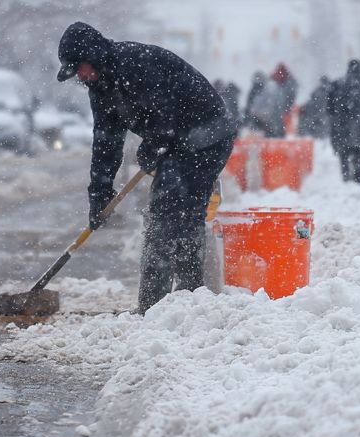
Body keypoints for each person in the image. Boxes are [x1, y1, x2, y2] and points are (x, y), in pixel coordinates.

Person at [57, 22, 236, 314]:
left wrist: (153, 146)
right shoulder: (100, 87)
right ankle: (177, 303)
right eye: (77, 71)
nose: (81, 75)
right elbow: (105, 142)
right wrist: (99, 192)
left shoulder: (136, 64)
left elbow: (164, 114)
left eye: (82, 67)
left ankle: (166, 304)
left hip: (208, 134)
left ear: (95, 55)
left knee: (174, 210)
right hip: (177, 141)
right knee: (173, 210)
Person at [326, 60, 360, 183]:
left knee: (344, 152)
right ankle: (358, 178)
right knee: (359, 151)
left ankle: (346, 176)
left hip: (342, 124)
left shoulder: (337, 83)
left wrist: (334, 118)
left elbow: (329, 106)